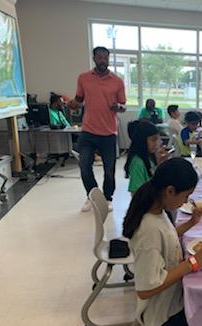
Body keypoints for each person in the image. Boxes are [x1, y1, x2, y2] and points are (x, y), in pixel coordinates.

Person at [122, 158, 202, 326]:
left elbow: (168, 236)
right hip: (164, 313)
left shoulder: (156, 210)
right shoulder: (149, 229)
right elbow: (146, 289)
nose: (186, 202)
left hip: (172, 299)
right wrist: (192, 263)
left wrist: (192, 222)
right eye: (186, 196)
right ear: (170, 191)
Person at [68, 46, 126, 212]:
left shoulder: (117, 81)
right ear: (94, 58)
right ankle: (91, 195)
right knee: (84, 165)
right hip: (88, 131)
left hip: (108, 133)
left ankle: (108, 198)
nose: (103, 60)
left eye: (105, 57)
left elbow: (123, 105)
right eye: (99, 57)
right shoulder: (84, 78)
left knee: (109, 170)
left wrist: (118, 107)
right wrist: (73, 103)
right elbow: (78, 99)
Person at [124, 120, 168, 194]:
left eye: (157, 139)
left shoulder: (149, 157)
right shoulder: (138, 163)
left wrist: (159, 162)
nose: (156, 143)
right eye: (153, 140)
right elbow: (136, 194)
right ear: (142, 140)